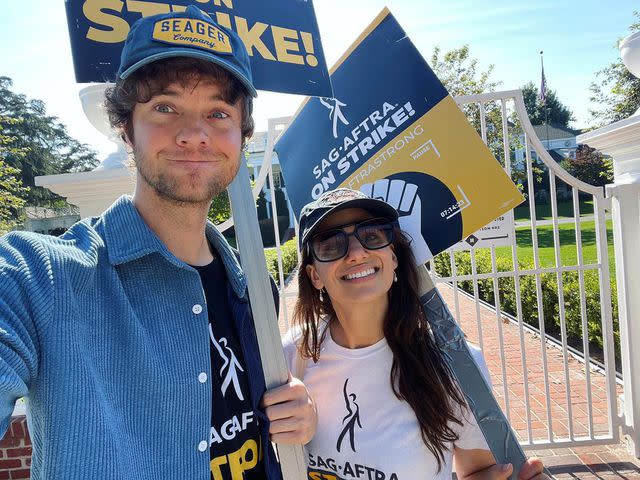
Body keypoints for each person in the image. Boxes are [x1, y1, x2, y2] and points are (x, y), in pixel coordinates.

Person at [0, 6, 315, 479]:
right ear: (126, 129)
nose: (194, 134)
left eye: (218, 112)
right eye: (164, 107)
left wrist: (297, 409)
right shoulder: (44, 278)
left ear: (241, 135)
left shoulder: (254, 289)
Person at [278, 188, 548, 480]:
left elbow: (478, 472)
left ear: (393, 258)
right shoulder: (293, 355)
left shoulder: (453, 364)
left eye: (372, 235)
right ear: (314, 275)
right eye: (331, 244)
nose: (356, 253)